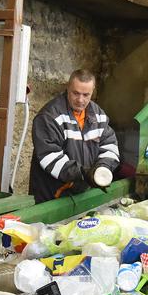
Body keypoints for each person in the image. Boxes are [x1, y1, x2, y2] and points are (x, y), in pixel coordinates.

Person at [30, 69, 121, 203]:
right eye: (75, 93)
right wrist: (84, 173)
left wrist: (102, 167)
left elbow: (109, 146)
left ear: (93, 91)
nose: (80, 100)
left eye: (86, 95)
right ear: (68, 88)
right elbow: (51, 158)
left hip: (82, 195)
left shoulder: (98, 115)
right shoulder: (49, 117)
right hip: (53, 197)